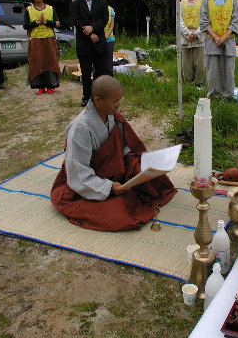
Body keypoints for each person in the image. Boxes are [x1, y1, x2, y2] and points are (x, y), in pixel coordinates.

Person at [51, 75, 177, 232]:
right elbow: (77, 172)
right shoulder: (80, 128)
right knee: (118, 214)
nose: (118, 106)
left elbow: (125, 148)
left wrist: (143, 166)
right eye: (114, 101)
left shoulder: (112, 116)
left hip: (115, 168)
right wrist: (109, 187)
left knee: (153, 178)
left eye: (119, 100)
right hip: (91, 181)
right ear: (98, 100)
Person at [70, 0, 110, 107]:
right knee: (86, 72)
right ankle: (87, 96)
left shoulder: (102, 3)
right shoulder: (76, 4)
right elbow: (76, 21)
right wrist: (88, 32)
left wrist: (92, 28)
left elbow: (104, 19)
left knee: (100, 71)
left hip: (99, 41)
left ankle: (100, 96)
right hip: (84, 43)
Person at [199, 0, 238, 98]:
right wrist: (216, 37)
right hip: (212, 40)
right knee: (213, 71)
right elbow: (203, 21)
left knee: (228, 70)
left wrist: (225, 36)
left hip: (229, 40)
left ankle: (228, 96)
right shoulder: (206, 0)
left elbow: (235, 21)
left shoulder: (234, 0)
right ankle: (213, 96)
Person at [23, 0, 61, 95]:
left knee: (50, 62)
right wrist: (36, 23)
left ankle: (51, 85)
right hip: (35, 40)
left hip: (49, 39)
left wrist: (46, 22)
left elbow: (58, 23)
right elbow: (25, 25)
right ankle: (40, 86)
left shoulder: (50, 8)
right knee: (38, 62)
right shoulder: (29, 9)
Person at [180, 0, 205, 87]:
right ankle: (188, 85)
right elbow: (179, 20)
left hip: (198, 36)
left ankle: (198, 84)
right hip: (185, 37)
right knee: (187, 64)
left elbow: (205, 19)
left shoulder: (202, 2)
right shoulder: (181, 3)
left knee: (199, 63)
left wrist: (196, 33)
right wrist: (187, 33)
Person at [96, 0, 116, 74]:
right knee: (98, 62)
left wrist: (106, 37)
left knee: (108, 63)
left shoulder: (110, 9)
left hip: (109, 39)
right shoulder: (94, 9)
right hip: (97, 39)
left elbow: (112, 25)